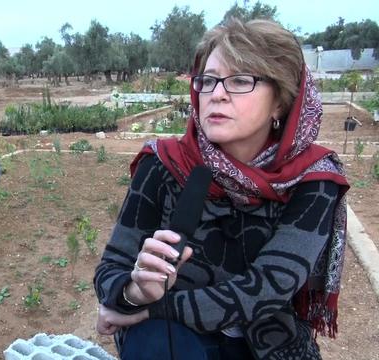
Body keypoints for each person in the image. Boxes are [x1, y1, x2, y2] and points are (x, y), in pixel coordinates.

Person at [94, 19, 349, 360]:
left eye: (241, 80)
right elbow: (113, 266)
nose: (216, 94)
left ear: (280, 102)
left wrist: (154, 308)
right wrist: (134, 292)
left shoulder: (313, 179)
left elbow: (268, 288)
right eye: (208, 80)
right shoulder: (164, 163)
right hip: (171, 341)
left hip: (270, 344)